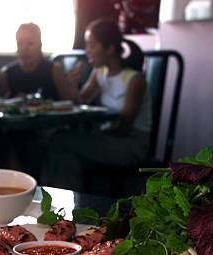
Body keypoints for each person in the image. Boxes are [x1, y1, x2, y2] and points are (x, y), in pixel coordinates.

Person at [43, 18, 151, 191]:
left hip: (131, 144)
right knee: (67, 157)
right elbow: (80, 101)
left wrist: (94, 137)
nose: (87, 51)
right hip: (107, 138)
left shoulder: (134, 80)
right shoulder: (99, 72)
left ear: (109, 49)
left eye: (92, 46)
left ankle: (48, 197)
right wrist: (71, 83)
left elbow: (123, 128)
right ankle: (66, 209)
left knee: (60, 139)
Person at [0, 23, 76, 101]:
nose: (24, 49)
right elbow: (0, 105)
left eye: (30, 43)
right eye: (20, 44)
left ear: (40, 45)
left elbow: (68, 103)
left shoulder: (55, 71)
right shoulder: (6, 74)